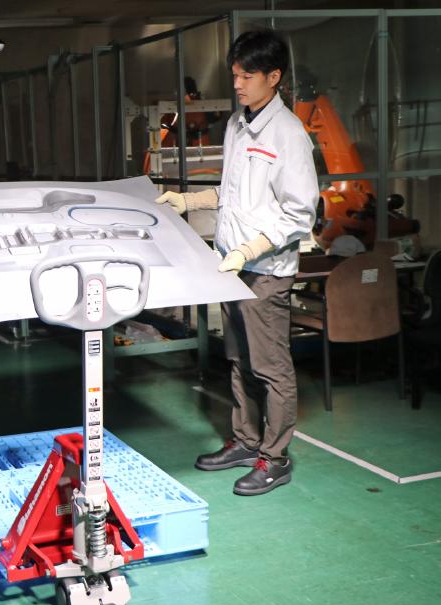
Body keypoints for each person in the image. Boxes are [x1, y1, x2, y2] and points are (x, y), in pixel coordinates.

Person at [155, 30, 318, 496]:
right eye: (235, 75)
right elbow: (231, 192)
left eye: (248, 76)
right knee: (238, 361)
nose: (238, 84)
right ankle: (246, 442)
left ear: (274, 76)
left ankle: (275, 458)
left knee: (271, 367)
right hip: (232, 267)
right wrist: (188, 201)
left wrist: (249, 250)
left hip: (265, 272)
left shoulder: (289, 134)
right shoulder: (236, 124)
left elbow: (300, 212)